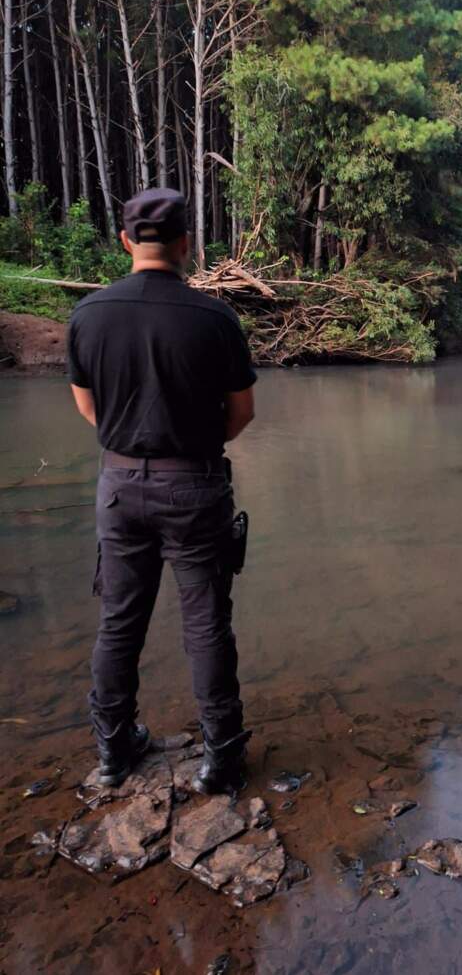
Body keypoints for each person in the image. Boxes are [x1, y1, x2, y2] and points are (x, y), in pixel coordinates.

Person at [67, 188, 257, 795]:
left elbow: (87, 407)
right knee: (205, 624)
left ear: (124, 241)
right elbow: (242, 413)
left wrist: (132, 445)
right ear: (186, 244)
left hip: (119, 487)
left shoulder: (88, 315)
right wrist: (190, 446)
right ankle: (222, 757)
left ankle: (114, 750)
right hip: (195, 486)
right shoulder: (214, 317)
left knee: (119, 621)